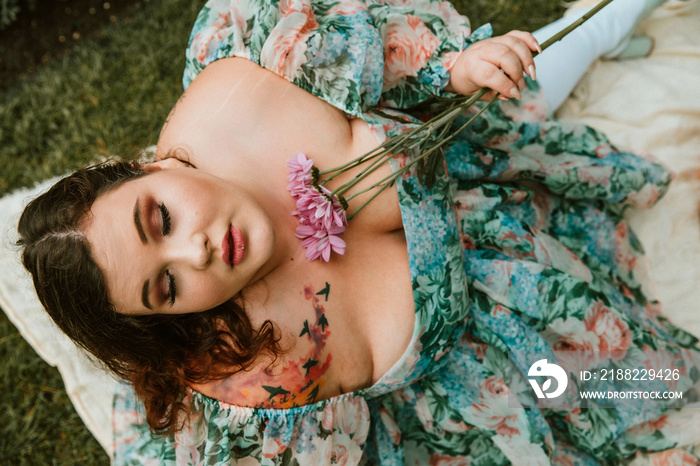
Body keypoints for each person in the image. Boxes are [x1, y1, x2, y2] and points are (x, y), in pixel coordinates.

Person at [17, 0, 700, 463]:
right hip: (494, 333)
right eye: (166, 286)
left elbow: (381, 46)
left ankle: (601, 26)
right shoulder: (261, 370)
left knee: (543, 71)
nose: (193, 250)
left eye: (158, 216)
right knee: (614, 390)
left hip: (470, 161)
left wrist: (451, 68)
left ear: (151, 165)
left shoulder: (243, 82)